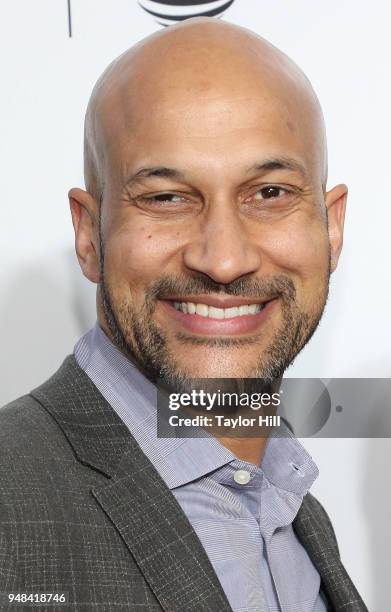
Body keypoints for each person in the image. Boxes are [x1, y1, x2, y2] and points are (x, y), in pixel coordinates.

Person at [0, 17, 367, 612]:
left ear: (331, 227)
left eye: (269, 193)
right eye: (166, 198)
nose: (223, 259)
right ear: (90, 235)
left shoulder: (296, 509)